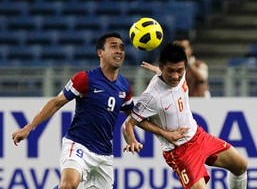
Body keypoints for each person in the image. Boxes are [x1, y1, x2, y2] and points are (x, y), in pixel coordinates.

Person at [12, 32, 187, 189]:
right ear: (100, 53)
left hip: (104, 154)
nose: (119, 51)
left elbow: (134, 118)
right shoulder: (85, 79)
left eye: (122, 48)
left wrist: (154, 135)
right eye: (113, 46)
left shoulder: (124, 86)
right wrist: (28, 128)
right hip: (78, 144)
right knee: (68, 185)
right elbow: (56, 103)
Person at [122, 44, 247, 189]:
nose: (175, 76)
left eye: (180, 71)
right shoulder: (152, 96)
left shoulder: (178, 75)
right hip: (180, 150)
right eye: (170, 71)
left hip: (199, 136)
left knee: (240, 166)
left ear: (185, 67)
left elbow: (173, 72)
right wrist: (136, 139)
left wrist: (158, 71)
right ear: (162, 67)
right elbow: (128, 124)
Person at [141, 38, 211, 98]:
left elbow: (202, 78)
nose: (180, 51)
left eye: (183, 48)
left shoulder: (200, 64)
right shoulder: (169, 66)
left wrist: (190, 64)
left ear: (191, 49)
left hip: (200, 101)